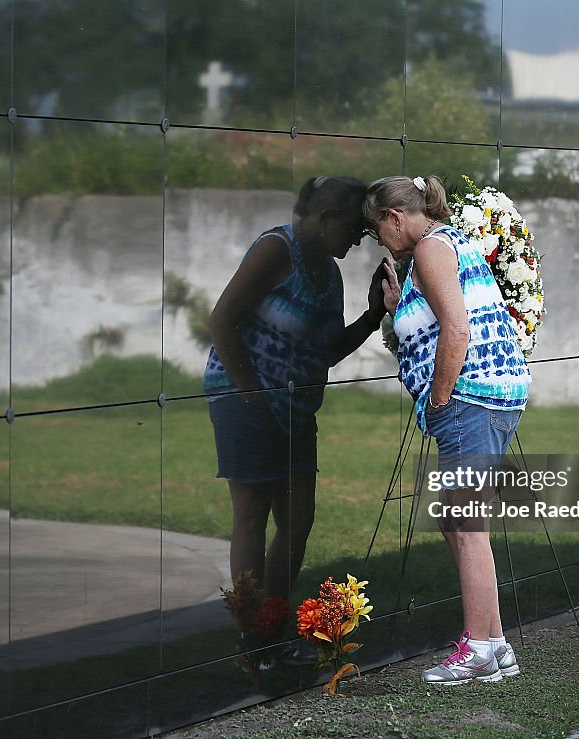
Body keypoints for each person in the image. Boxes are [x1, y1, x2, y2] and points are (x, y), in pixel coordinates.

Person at [365, 174, 531, 684]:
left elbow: (456, 329)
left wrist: (439, 399)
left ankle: (476, 648)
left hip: (469, 399)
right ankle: (496, 644)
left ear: (396, 217)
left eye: (377, 231)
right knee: (456, 520)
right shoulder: (448, 243)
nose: (379, 242)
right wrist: (398, 308)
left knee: (466, 523)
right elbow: (438, 324)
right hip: (488, 397)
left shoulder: (433, 249)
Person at [204, 175, 388, 614]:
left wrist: (372, 316)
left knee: (297, 520)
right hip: (244, 398)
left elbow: (322, 352)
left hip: (294, 407)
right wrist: (252, 393)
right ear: (325, 218)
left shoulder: (329, 272)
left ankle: (273, 622)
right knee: (252, 516)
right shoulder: (275, 249)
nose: (359, 242)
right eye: (354, 229)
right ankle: (252, 633)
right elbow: (221, 319)